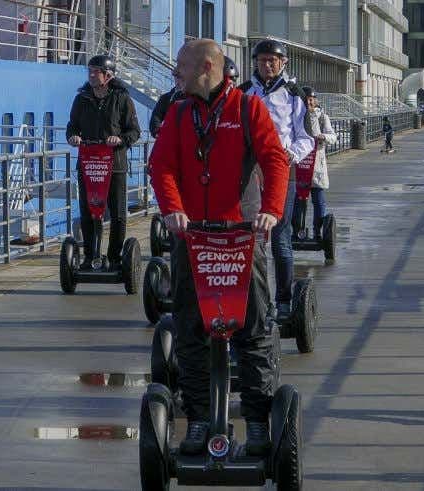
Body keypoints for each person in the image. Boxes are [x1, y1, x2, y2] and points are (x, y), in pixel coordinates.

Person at [150, 38, 290, 458]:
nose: (176, 73)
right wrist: (173, 209)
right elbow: (161, 165)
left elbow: (275, 160)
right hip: (192, 238)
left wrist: (271, 211)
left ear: (207, 67)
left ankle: (258, 422)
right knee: (191, 331)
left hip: (242, 236)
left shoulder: (248, 109)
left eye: (181, 66)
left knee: (254, 331)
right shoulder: (178, 112)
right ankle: (197, 419)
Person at [240, 39, 313, 320]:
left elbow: (306, 137)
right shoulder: (244, 93)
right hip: (249, 173)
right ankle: (253, 302)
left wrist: (290, 154)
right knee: (250, 238)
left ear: (283, 63)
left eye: (272, 60)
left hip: (283, 171)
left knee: (281, 239)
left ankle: (283, 300)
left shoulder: (293, 94)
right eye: (262, 60)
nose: (267, 65)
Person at [65, 54, 142, 270]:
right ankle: (90, 257)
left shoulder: (122, 98)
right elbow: (72, 126)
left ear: (108, 75)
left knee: (117, 214)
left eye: (95, 72)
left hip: (114, 165)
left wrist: (120, 140)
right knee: (88, 212)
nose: (91, 75)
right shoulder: (82, 99)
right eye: (89, 71)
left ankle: (115, 258)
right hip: (88, 165)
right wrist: (73, 137)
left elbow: (134, 131)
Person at [296, 86, 336, 257]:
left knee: (318, 202)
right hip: (300, 167)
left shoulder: (322, 117)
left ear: (316, 100)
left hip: (317, 168)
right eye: (306, 99)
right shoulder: (296, 115)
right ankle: (297, 231)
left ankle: (317, 232)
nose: (309, 102)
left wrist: (323, 137)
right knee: (298, 202)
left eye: (311, 99)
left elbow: (333, 136)